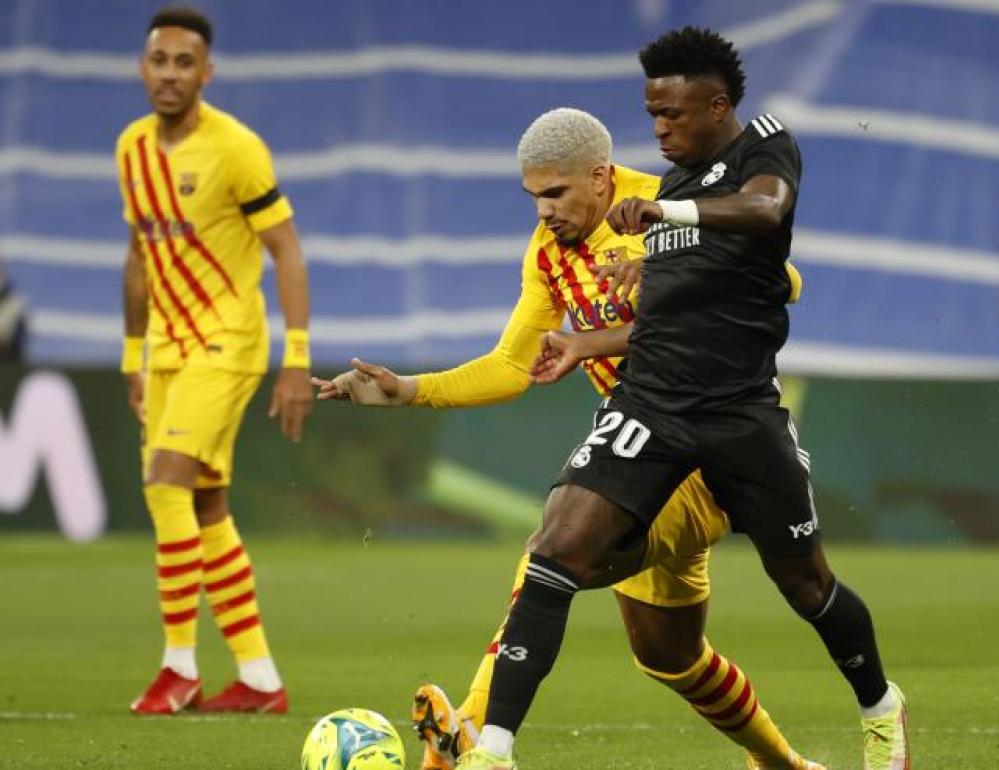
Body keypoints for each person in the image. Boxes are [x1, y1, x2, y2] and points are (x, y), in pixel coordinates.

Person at [447, 27, 909, 770]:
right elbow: (669, 315)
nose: (659, 129)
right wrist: (596, 331)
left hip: (740, 413)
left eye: (671, 113)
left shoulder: (762, 145)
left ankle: (881, 706)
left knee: (807, 586)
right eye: (652, 114)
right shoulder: (670, 189)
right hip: (651, 408)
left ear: (716, 105)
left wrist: (668, 224)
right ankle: (492, 749)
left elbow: (765, 212)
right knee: (553, 550)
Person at [314, 107, 822, 770]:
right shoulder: (548, 253)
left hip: (713, 445)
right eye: (533, 197)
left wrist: (671, 268)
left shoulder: (667, 205)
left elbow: (786, 281)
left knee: (550, 558)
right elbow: (511, 365)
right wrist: (409, 389)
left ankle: (472, 731)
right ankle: (785, 765)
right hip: (638, 451)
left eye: (555, 193)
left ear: (601, 177)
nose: (543, 212)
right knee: (668, 655)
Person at [118, 5, 312, 714]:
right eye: (159, 60)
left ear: (207, 73)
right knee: (204, 504)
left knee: (164, 485)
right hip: (167, 349)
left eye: (184, 62)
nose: (170, 74)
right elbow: (139, 256)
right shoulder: (131, 149)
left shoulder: (236, 149)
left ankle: (179, 668)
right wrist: (133, 355)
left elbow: (285, 249)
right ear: (143, 68)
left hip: (227, 340)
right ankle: (259, 678)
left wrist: (296, 359)